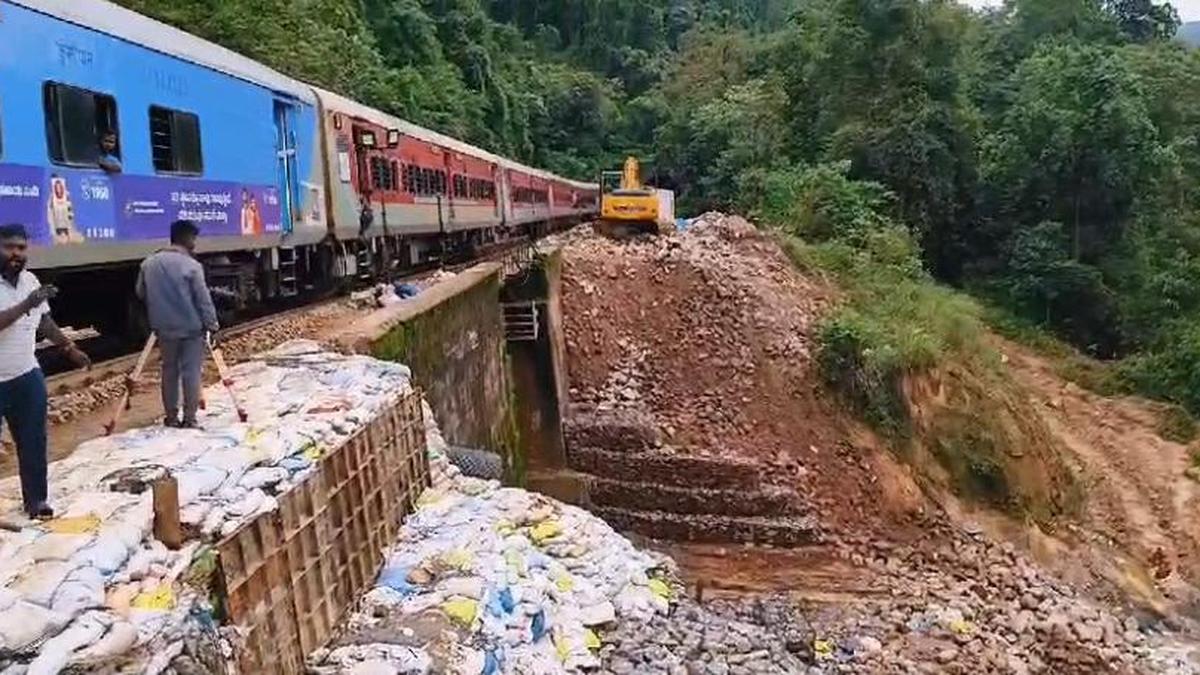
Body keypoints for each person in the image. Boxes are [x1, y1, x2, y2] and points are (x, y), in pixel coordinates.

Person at [0, 224, 90, 519]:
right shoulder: (29, 293)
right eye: (9, 247)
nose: (16, 253)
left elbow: (45, 322)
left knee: (33, 441)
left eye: (21, 248)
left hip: (26, 374)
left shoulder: (30, 280)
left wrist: (69, 349)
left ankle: (36, 502)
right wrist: (28, 302)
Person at [135, 220, 219, 429]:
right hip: (191, 328)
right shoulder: (192, 266)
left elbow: (140, 292)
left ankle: (171, 417)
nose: (195, 243)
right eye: (193, 238)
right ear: (186, 238)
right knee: (191, 371)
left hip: (163, 328)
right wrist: (212, 325)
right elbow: (203, 299)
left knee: (169, 371)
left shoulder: (149, 263)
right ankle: (189, 418)